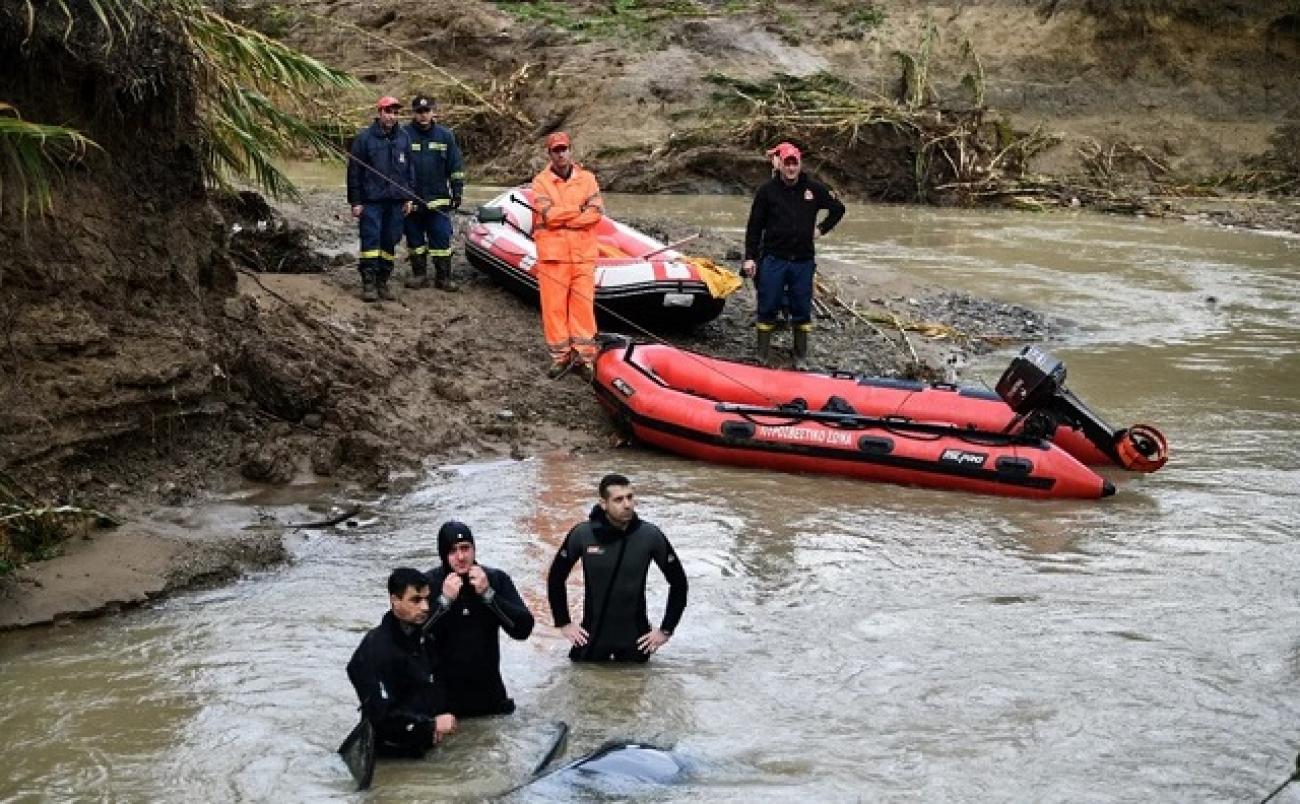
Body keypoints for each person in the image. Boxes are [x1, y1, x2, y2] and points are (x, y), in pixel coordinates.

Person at [547, 473, 687, 662]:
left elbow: (679, 583)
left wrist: (666, 630)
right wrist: (564, 623)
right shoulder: (583, 534)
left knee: (638, 687)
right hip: (592, 639)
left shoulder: (650, 536)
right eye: (619, 499)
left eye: (630, 497)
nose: (627, 504)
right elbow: (556, 578)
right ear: (603, 503)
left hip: (635, 640)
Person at [742, 142, 846, 369]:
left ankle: (800, 358)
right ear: (780, 165)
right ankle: (762, 356)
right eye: (787, 163)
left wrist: (820, 230)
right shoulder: (766, 191)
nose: (791, 168)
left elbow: (838, 209)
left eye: (794, 163)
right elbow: (754, 226)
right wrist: (750, 257)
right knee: (767, 305)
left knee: (801, 308)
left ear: (800, 164)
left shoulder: (814, 189)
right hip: (773, 258)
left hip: (802, 261)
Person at [424, 521, 534, 717]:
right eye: (452, 551)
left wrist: (488, 595)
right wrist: (443, 602)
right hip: (444, 705)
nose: (461, 557)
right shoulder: (429, 584)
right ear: (442, 554)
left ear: (474, 549)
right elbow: (410, 639)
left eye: (465, 548)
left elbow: (523, 630)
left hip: (490, 699)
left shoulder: (495, 579)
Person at [346, 567, 457, 757]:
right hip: (388, 756)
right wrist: (431, 726)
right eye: (415, 600)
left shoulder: (422, 636)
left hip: (423, 745)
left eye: (426, 598)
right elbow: (380, 718)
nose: (425, 607)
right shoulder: (376, 649)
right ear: (395, 601)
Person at [529, 131, 604, 381]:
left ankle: (584, 358)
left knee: (583, 307)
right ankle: (560, 357)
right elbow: (548, 215)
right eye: (556, 150)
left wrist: (566, 218)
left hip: (583, 256)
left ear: (571, 150)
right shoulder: (540, 182)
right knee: (554, 310)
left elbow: (595, 212)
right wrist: (577, 211)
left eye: (564, 149)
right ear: (549, 154)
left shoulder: (588, 179)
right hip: (553, 257)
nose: (561, 154)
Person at [347, 96, 415, 303]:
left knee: (390, 241)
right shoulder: (364, 139)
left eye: (395, 113)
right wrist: (356, 201)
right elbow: (354, 172)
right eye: (388, 112)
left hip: (395, 201)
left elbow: (410, 170)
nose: (392, 116)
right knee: (370, 241)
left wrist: (409, 198)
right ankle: (368, 283)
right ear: (380, 112)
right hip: (372, 201)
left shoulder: (404, 138)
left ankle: (382, 282)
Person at [402, 94, 466, 292]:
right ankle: (419, 275)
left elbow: (455, 165)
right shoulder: (403, 134)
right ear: (414, 113)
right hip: (411, 200)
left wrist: (457, 191)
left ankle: (443, 278)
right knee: (415, 240)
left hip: (438, 199)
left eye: (426, 111)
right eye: (419, 112)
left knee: (441, 239)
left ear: (433, 112)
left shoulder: (445, 135)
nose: (423, 115)